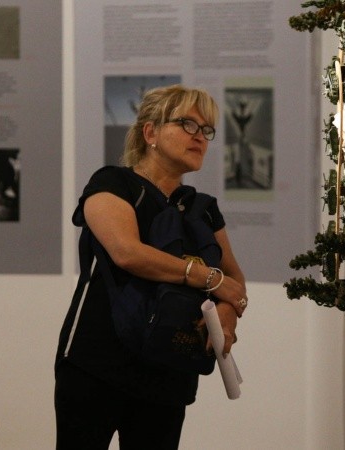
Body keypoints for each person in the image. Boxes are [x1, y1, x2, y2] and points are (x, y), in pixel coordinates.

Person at [55, 84, 248, 450]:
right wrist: (208, 279)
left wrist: (227, 312)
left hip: (169, 370)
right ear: (150, 133)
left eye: (206, 130)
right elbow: (127, 252)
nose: (200, 137)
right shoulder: (113, 183)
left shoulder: (203, 208)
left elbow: (234, 280)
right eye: (187, 124)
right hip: (97, 363)